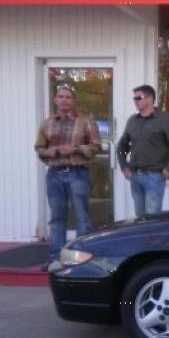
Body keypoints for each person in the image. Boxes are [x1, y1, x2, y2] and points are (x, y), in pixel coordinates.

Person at [34, 83, 100, 268]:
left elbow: (96, 147)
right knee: (57, 218)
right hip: (54, 174)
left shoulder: (86, 121)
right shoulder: (47, 123)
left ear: (74, 101)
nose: (64, 100)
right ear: (55, 100)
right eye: (61, 96)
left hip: (77, 173)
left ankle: (81, 259)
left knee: (82, 217)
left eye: (68, 97)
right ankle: (56, 259)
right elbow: (38, 148)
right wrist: (49, 152)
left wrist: (75, 148)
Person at [117, 84, 169, 217]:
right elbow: (122, 146)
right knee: (140, 218)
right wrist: (124, 166)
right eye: (134, 98)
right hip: (135, 177)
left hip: (154, 176)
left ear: (150, 99)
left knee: (152, 219)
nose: (135, 101)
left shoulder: (164, 119)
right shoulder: (132, 121)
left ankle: (153, 239)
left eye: (138, 97)